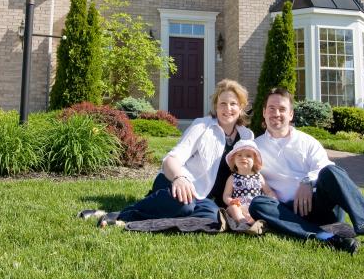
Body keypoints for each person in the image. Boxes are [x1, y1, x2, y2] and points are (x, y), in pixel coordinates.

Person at [250, 87, 364, 260]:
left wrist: (308, 181)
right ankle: (330, 238)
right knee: (258, 204)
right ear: (264, 112)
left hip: (320, 206)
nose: (276, 113)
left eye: (282, 109)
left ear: (291, 114)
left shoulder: (307, 141)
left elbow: (324, 166)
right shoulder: (255, 147)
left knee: (332, 171)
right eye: (271, 108)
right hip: (287, 212)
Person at [98, 79, 254, 227]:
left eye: (233, 104)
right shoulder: (202, 126)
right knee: (184, 206)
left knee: (212, 216)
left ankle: (162, 207)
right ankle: (123, 215)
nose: (228, 109)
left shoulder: (246, 136)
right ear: (216, 106)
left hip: (202, 196)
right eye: (223, 104)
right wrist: (180, 178)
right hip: (176, 181)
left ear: (241, 107)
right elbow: (171, 159)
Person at [222, 139, 276, 229]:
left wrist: (274, 199)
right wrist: (231, 201)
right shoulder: (232, 178)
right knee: (233, 208)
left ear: (255, 161)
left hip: (255, 208)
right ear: (234, 160)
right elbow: (226, 195)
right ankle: (242, 222)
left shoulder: (258, 177)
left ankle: (253, 222)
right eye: (239, 155)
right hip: (239, 207)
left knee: (263, 209)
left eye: (248, 156)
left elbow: (268, 191)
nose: (243, 158)